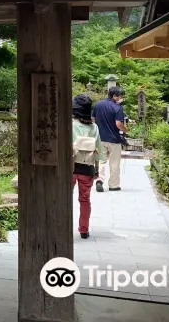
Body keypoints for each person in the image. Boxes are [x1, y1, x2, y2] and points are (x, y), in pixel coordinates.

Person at [72, 94, 102, 239]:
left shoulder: (69, 124)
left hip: (70, 167)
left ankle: (62, 226)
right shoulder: (94, 127)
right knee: (85, 199)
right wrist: (96, 169)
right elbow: (98, 150)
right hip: (87, 167)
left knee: (65, 198)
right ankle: (84, 229)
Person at [92, 86, 127, 192]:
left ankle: (99, 180)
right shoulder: (117, 108)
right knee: (114, 163)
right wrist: (126, 130)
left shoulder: (98, 104)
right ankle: (113, 185)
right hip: (114, 140)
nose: (121, 98)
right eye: (120, 96)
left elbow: (93, 119)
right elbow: (118, 124)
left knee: (101, 161)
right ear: (114, 96)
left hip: (100, 138)